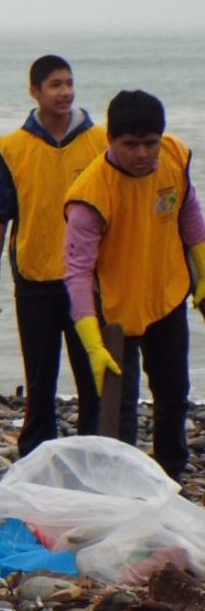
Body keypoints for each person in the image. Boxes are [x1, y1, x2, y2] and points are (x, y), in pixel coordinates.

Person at [64, 89, 204, 479]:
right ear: (110, 140)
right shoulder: (91, 194)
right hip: (114, 312)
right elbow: (76, 270)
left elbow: (188, 210)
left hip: (165, 294)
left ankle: (171, 474)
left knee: (173, 393)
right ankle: (118, 483)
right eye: (131, 145)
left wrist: (203, 271)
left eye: (150, 143)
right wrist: (91, 340)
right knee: (117, 409)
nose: (143, 154)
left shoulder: (175, 156)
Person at [0, 55, 108, 456]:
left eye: (70, 82)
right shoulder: (12, 148)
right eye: (55, 84)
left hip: (89, 280)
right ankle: (37, 455)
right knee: (40, 380)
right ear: (34, 91)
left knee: (94, 377)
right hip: (34, 278)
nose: (65, 91)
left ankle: (97, 453)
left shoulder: (101, 142)